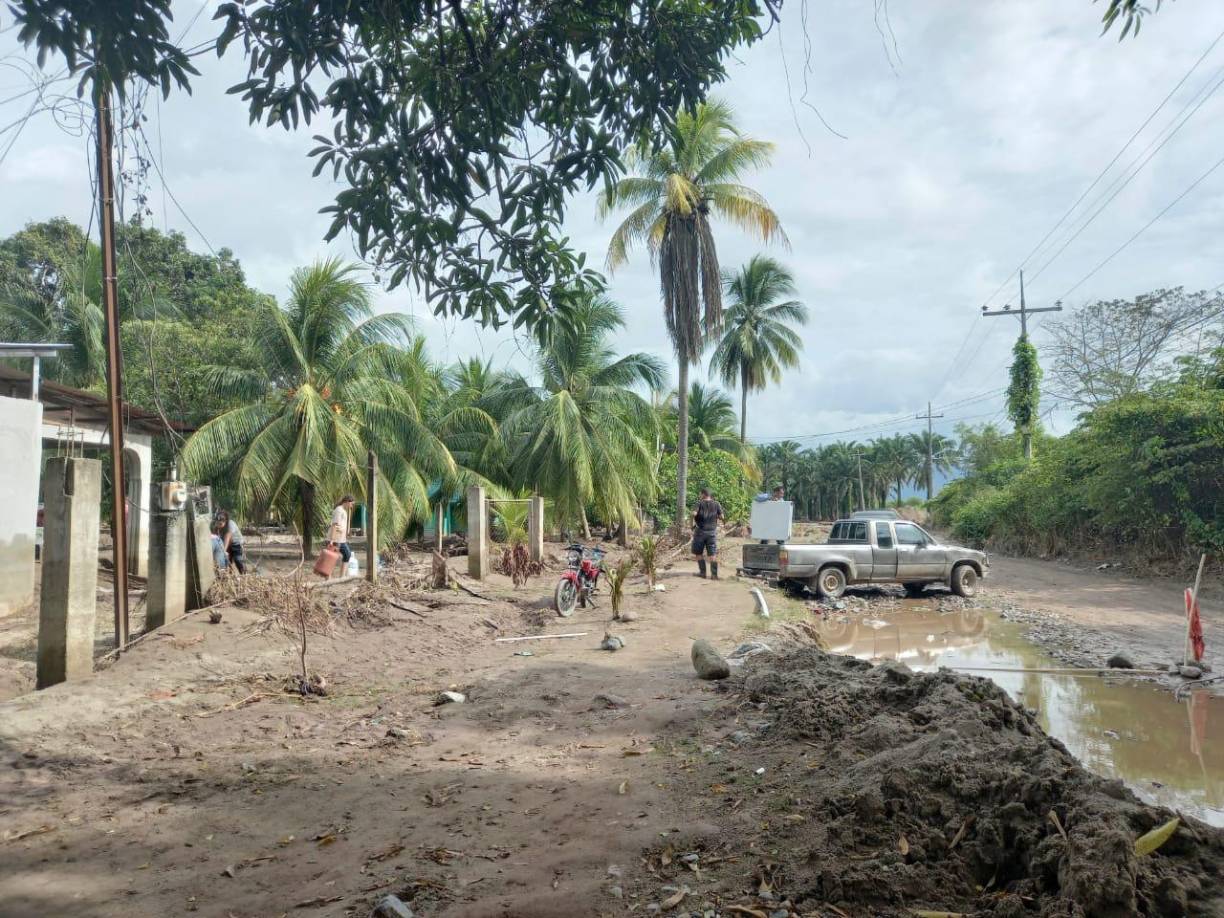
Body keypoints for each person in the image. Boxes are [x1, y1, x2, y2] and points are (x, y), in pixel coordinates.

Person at [691, 486, 724, 579]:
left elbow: (693, 514)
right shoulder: (717, 504)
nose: (699, 495)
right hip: (712, 533)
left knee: (698, 553)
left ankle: (703, 573)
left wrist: (692, 524)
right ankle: (714, 575)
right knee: (712, 554)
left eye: (700, 494)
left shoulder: (699, 503)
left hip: (700, 532)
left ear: (703, 494)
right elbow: (722, 516)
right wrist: (716, 518)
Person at [328, 494, 356, 573]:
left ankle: (341, 577)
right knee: (332, 558)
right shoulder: (339, 510)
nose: (351, 506)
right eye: (351, 504)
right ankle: (328, 578)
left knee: (347, 554)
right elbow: (335, 525)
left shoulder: (343, 510)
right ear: (347, 502)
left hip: (341, 539)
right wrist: (332, 540)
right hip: (336, 538)